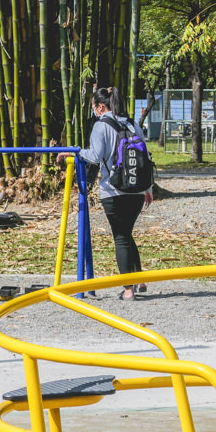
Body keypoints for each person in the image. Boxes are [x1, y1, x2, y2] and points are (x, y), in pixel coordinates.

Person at [74, 86, 154, 300]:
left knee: (120, 237)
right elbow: (144, 157)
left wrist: (75, 151)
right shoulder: (132, 123)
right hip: (137, 189)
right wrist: (148, 188)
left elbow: (94, 155)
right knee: (127, 234)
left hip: (113, 190)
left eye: (93, 106)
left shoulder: (101, 126)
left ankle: (128, 289)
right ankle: (139, 279)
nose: (93, 110)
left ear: (100, 107)